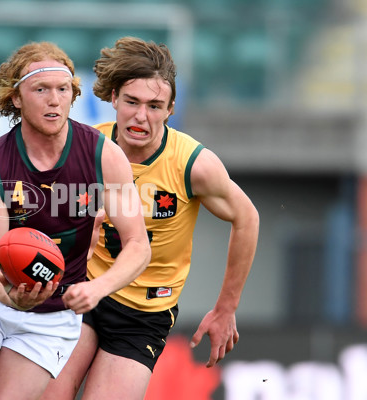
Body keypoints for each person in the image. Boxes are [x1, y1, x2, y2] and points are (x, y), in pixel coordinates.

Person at [0, 41, 151, 400]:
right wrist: (9, 296)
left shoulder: (104, 155)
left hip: (52, 319)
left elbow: (138, 246)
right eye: (41, 90)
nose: (54, 99)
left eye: (63, 90)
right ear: (17, 98)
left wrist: (96, 288)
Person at [41, 37, 260, 400]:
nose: (141, 117)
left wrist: (226, 308)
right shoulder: (86, 149)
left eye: (155, 106)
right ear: (113, 98)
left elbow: (247, 218)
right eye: (132, 102)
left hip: (144, 314)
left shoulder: (193, 164)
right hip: (84, 292)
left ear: (171, 108)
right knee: (47, 394)